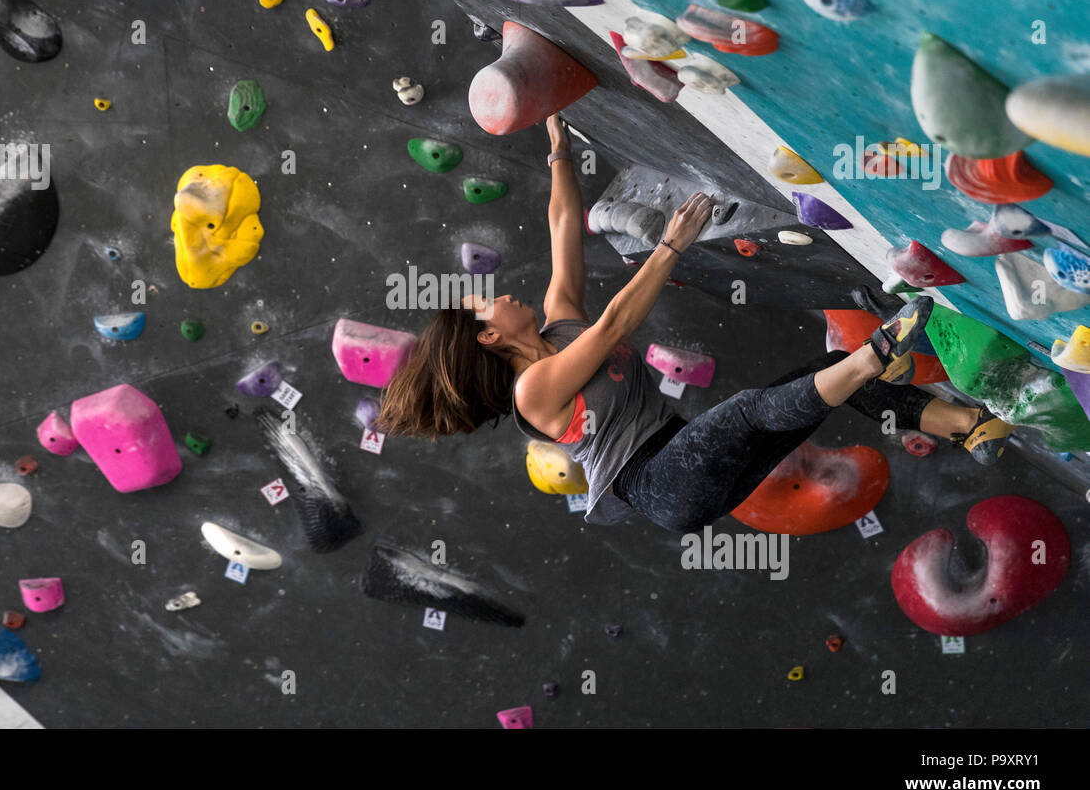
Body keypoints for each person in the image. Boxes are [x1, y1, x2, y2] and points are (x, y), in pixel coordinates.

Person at [375, 114, 1015, 531]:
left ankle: (968, 425)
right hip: (661, 486)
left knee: (820, 381)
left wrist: (558, 154)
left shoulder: (556, 327)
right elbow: (616, 324)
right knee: (748, 408)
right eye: (485, 307)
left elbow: (564, 229)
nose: (500, 297)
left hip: (689, 465)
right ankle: (878, 352)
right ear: (487, 336)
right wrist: (673, 243)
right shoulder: (533, 391)